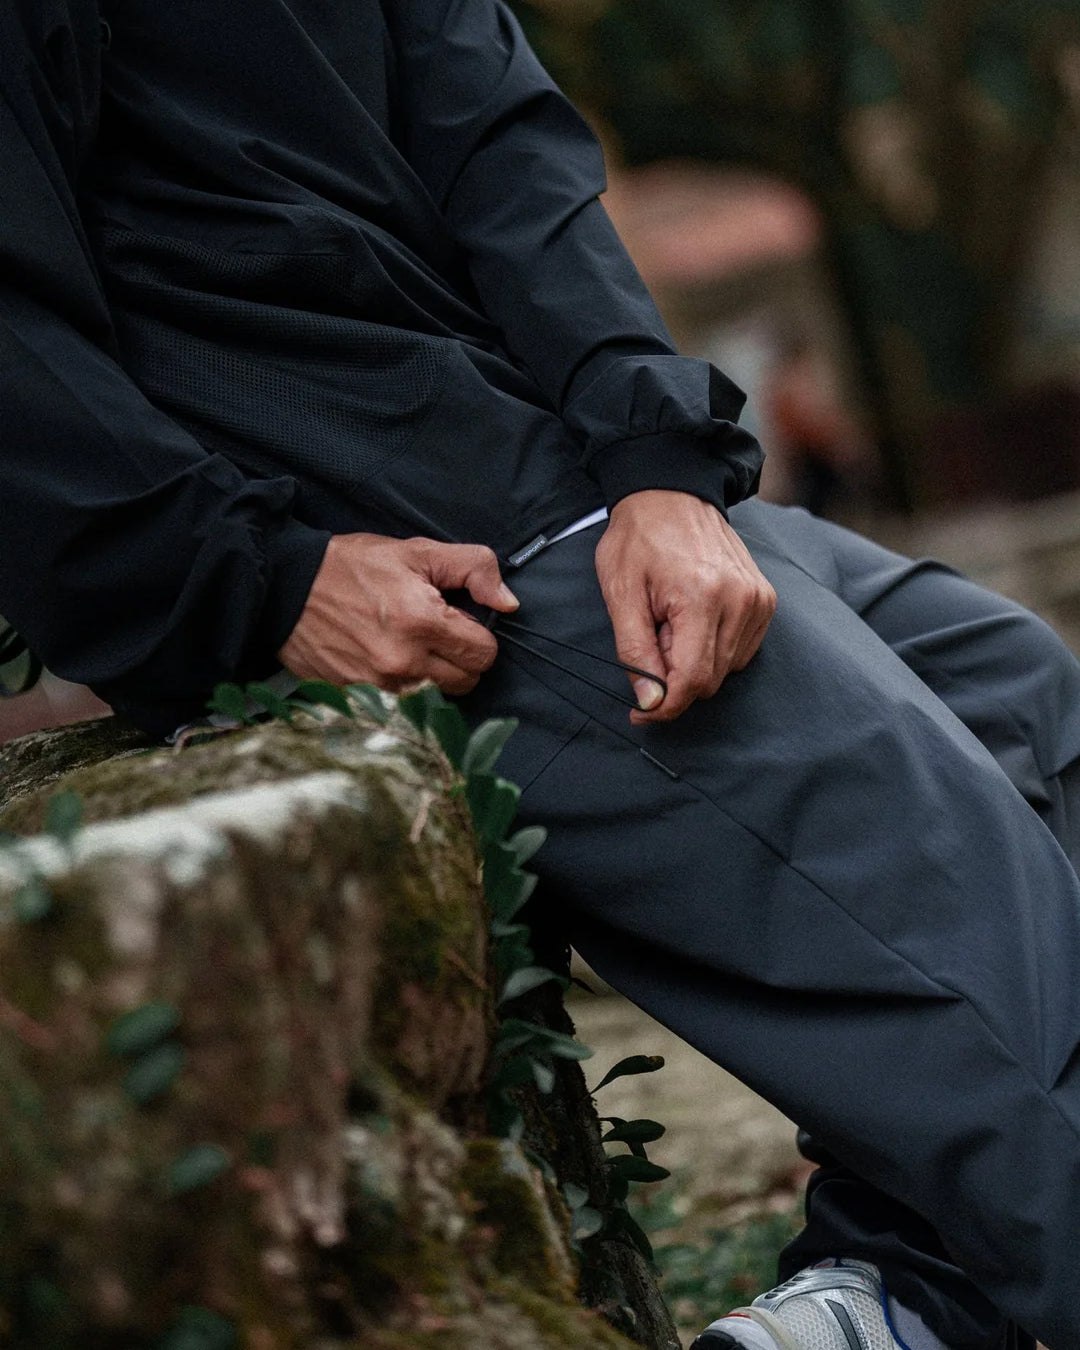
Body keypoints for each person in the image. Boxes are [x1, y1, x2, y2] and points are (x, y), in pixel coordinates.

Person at [3, 5, 1080, 1350]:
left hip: (573, 482)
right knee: (945, 873)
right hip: (409, 553)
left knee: (1005, 679)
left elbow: (499, 141)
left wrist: (656, 463)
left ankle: (919, 1288)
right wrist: (262, 579)